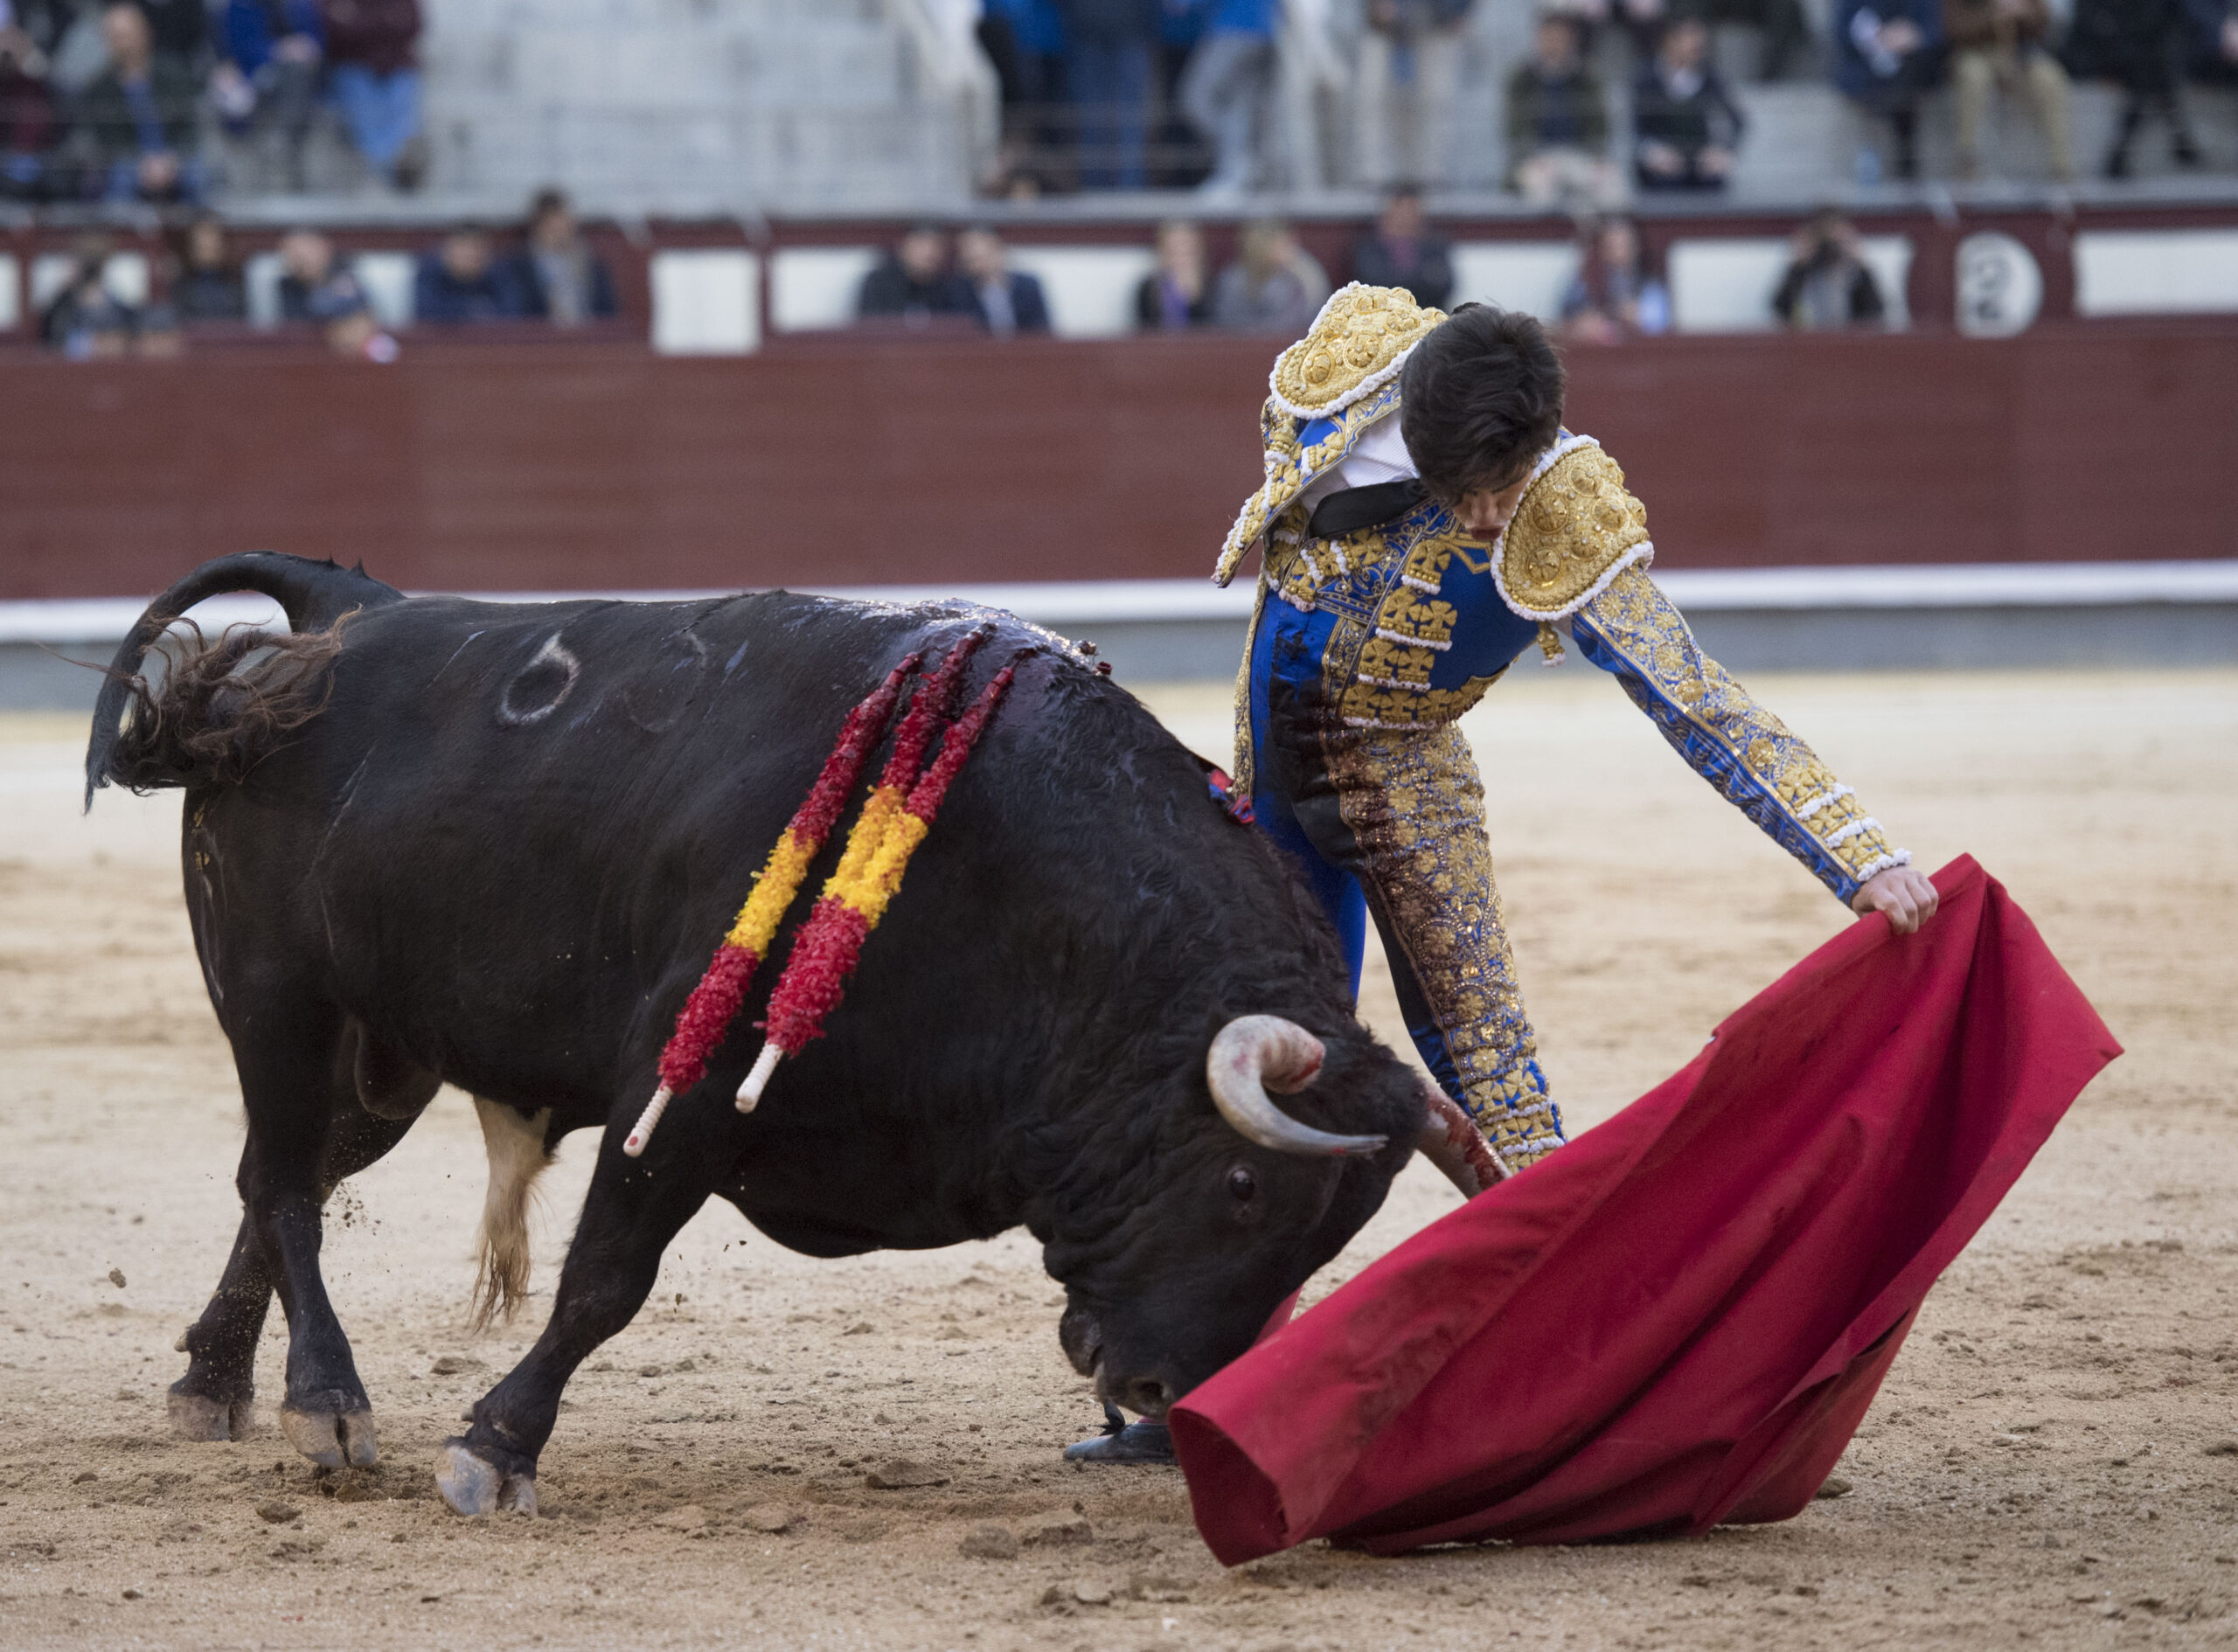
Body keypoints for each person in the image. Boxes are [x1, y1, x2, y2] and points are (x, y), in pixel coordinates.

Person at [1068, 288, 1937, 1468]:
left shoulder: (1563, 501)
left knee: (1489, 1067)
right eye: (1467, 489)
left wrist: (1859, 852)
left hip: (1405, 789)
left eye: (1502, 485)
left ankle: (1607, 1364)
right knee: (1235, 1070)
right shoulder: (1346, 369)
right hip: (1268, 779)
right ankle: (1204, 1390)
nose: (1487, 513)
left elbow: (1696, 699)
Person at [77, 1, 201, 204]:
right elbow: (106, 141)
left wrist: (172, 160)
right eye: (115, 37)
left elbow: (190, 128)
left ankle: (202, 234)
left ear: (145, 33)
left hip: (176, 158)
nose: (123, 43)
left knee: (201, 175)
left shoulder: (175, 75)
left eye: (126, 35)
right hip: (129, 164)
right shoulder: (99, 89)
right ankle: (126, 235)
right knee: (118, 182)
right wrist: (141, 165)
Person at [2062, 0, 2201, 177]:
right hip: (2101, 49)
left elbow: (2167, 19)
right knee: (2154, 74)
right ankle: (2181, 140)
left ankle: (2121, 152)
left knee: (2151, 72)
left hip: (2140, 53)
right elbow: (2089, 20)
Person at [1944, 0, 2073, 180]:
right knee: (1973, 76)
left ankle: (2061, 165)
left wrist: (2024, 12)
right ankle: (1967, 158)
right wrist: (1993, 13)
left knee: (2049, 77)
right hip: (1975, 51)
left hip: (2020, 53)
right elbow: (1953, 29)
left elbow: (2044, 20)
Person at [1505, 12, 1622, 209]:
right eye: (1548, 38)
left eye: (1559, 38)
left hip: (1580, 156)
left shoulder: (1587, 78)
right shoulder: (1521, 79)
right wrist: (1531, 158)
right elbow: (1514, 129)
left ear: (1571, 41)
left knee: (1613, 187)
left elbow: (1600, 126)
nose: (1553, 44)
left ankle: (1606, 240)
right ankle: (1545, 240)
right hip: (1537, 158)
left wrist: (1597, 159)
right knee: (1540, 192)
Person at [1352, 0, 1470, 190]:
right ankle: (1374, 179)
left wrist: (1458, 9)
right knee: (1375, 105)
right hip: (1383, 27)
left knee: (1436, 106)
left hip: (1436, 24)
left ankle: (1433, 180)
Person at [212, 0, 323, 190]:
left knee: (298, 73)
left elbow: (317, 42)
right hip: (253, 75)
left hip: (300, 80)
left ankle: (282, 139)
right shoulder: (240, 6)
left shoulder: (301, 6)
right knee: (237, 98)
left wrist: (307, 49)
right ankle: (279, 144)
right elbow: (241, 48)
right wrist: (280, 50)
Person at [1632, 12, 1746, 191]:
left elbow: (1738, 120)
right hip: (1662, 162)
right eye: (1690, 36)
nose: (1697, 43)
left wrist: (1723, 150)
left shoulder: (1710, 77)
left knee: (1713, 181)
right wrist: (1653, 152)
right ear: (1670, 41)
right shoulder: (1647, 78)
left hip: (1698, 161)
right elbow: (1636, 127)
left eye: (1699, 37)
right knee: (1663, 182)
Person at [321, 0, 426, 190]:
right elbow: (335, 30)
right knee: (366, 116)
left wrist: (359, 24)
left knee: (402, 106)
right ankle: (389, 174)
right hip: (352, 65)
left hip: (396, 65)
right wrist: (384, 24)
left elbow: (413, 25)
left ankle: (395, 166)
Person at [1832, 0, 1940, 182]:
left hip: (1911, 67)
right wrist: (1875, 36)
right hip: (1864, 67)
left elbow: (1936, 31)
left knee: (1906, 84)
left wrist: (1913, 35)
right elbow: (1841, 31)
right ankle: (1880, 154)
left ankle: (1902, 159)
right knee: (1878, 87)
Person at [1179, 0, 1276, 196]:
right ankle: (1236, 176)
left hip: (1234, 28)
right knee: (1238, 108)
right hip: (1267, 28)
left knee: (1196, 99)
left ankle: (1240, 163)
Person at [1060, 0, 1156, 189]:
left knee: (1111, 117)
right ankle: (1125, 188)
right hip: (1097, 30)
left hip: (1113, 29)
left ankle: (1112, 188)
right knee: (1107, 117)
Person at [498, 188, 618, 324]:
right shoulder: (519, 265)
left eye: (564, 224)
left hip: (591, 337)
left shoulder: (592, 263)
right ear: (538, 226)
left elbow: (608, 310)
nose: (560, 232)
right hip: (543, 339)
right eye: (552, 226)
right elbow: (519, 311)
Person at [278, 226, 393, 356]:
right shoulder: (287, 286)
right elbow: (296, 327)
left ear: (324, 247)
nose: (298, 257)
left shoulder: (347, 273)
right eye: (290, 251)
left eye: (304, 248)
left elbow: (362, 321)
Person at [1559, 214, 1670, 340]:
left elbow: (1660, 324)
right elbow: (1567, 320)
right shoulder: (1584, 282)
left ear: (1636, 248)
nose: (1618, 254)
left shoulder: (1648, 284)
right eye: (1611, 247)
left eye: (1624, 246)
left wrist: (1638, 316)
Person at [1772, 206, 1886, 328]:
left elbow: (1874, 312)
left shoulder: (1854, 271)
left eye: (1837, 237)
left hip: (1849, 340)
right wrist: (1798, 266)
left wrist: (1861, 265)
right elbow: (1781, 311)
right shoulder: (1802, 271)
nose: (1829, 245)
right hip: (1808, 338)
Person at [1211, 218, 1330, 333]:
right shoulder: (1235, 278)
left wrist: (1305, 272)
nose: (1292, 248)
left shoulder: (1300, 272)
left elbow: (1313, 317)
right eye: (1284, 242)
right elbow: (1228, 324)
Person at [1348, 184, 1454, 310]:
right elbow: (1372, 283)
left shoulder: (1435, 246)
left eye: (1411, 211)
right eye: (1401, 211)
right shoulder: (1368, 248)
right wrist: (1422, 278)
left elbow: (1445, 284)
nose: (1406, 217)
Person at [857, 225, 968, 325]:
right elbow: (869, 327)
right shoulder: (879, 283)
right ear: (904, 247)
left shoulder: (949, 288)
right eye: (921, 244)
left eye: (935, 245)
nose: (928, 252)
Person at [954, 226, 1051, 337]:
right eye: (963, 248)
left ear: (998, 248)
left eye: (973, 245)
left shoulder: (1028, 286)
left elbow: (1042, 329)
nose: (968, 253)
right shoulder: (958, 293)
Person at [414, 225, 518, 323]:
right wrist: (477, 310)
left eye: (477, 248)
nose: (471, 255)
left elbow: (515, 313)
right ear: (447, 251)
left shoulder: (500, 274)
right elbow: (429, 313)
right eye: (463, 248)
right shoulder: (430, 274)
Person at [1135, 217, 1213, 329]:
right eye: (1175, 249)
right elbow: (1144, 333)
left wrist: (1194, 295)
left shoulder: (1212, 287)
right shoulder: (1148, 289)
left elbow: (1214, 330)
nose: (1182, 256)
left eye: (1188, 250)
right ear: (1164, 251)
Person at [168, 213, 248, 320]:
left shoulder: (239, 289)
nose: (207, 245)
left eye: (213, 239)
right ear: (189, 247)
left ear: (224, 245)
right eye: (201, 242)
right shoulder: (178, 291)